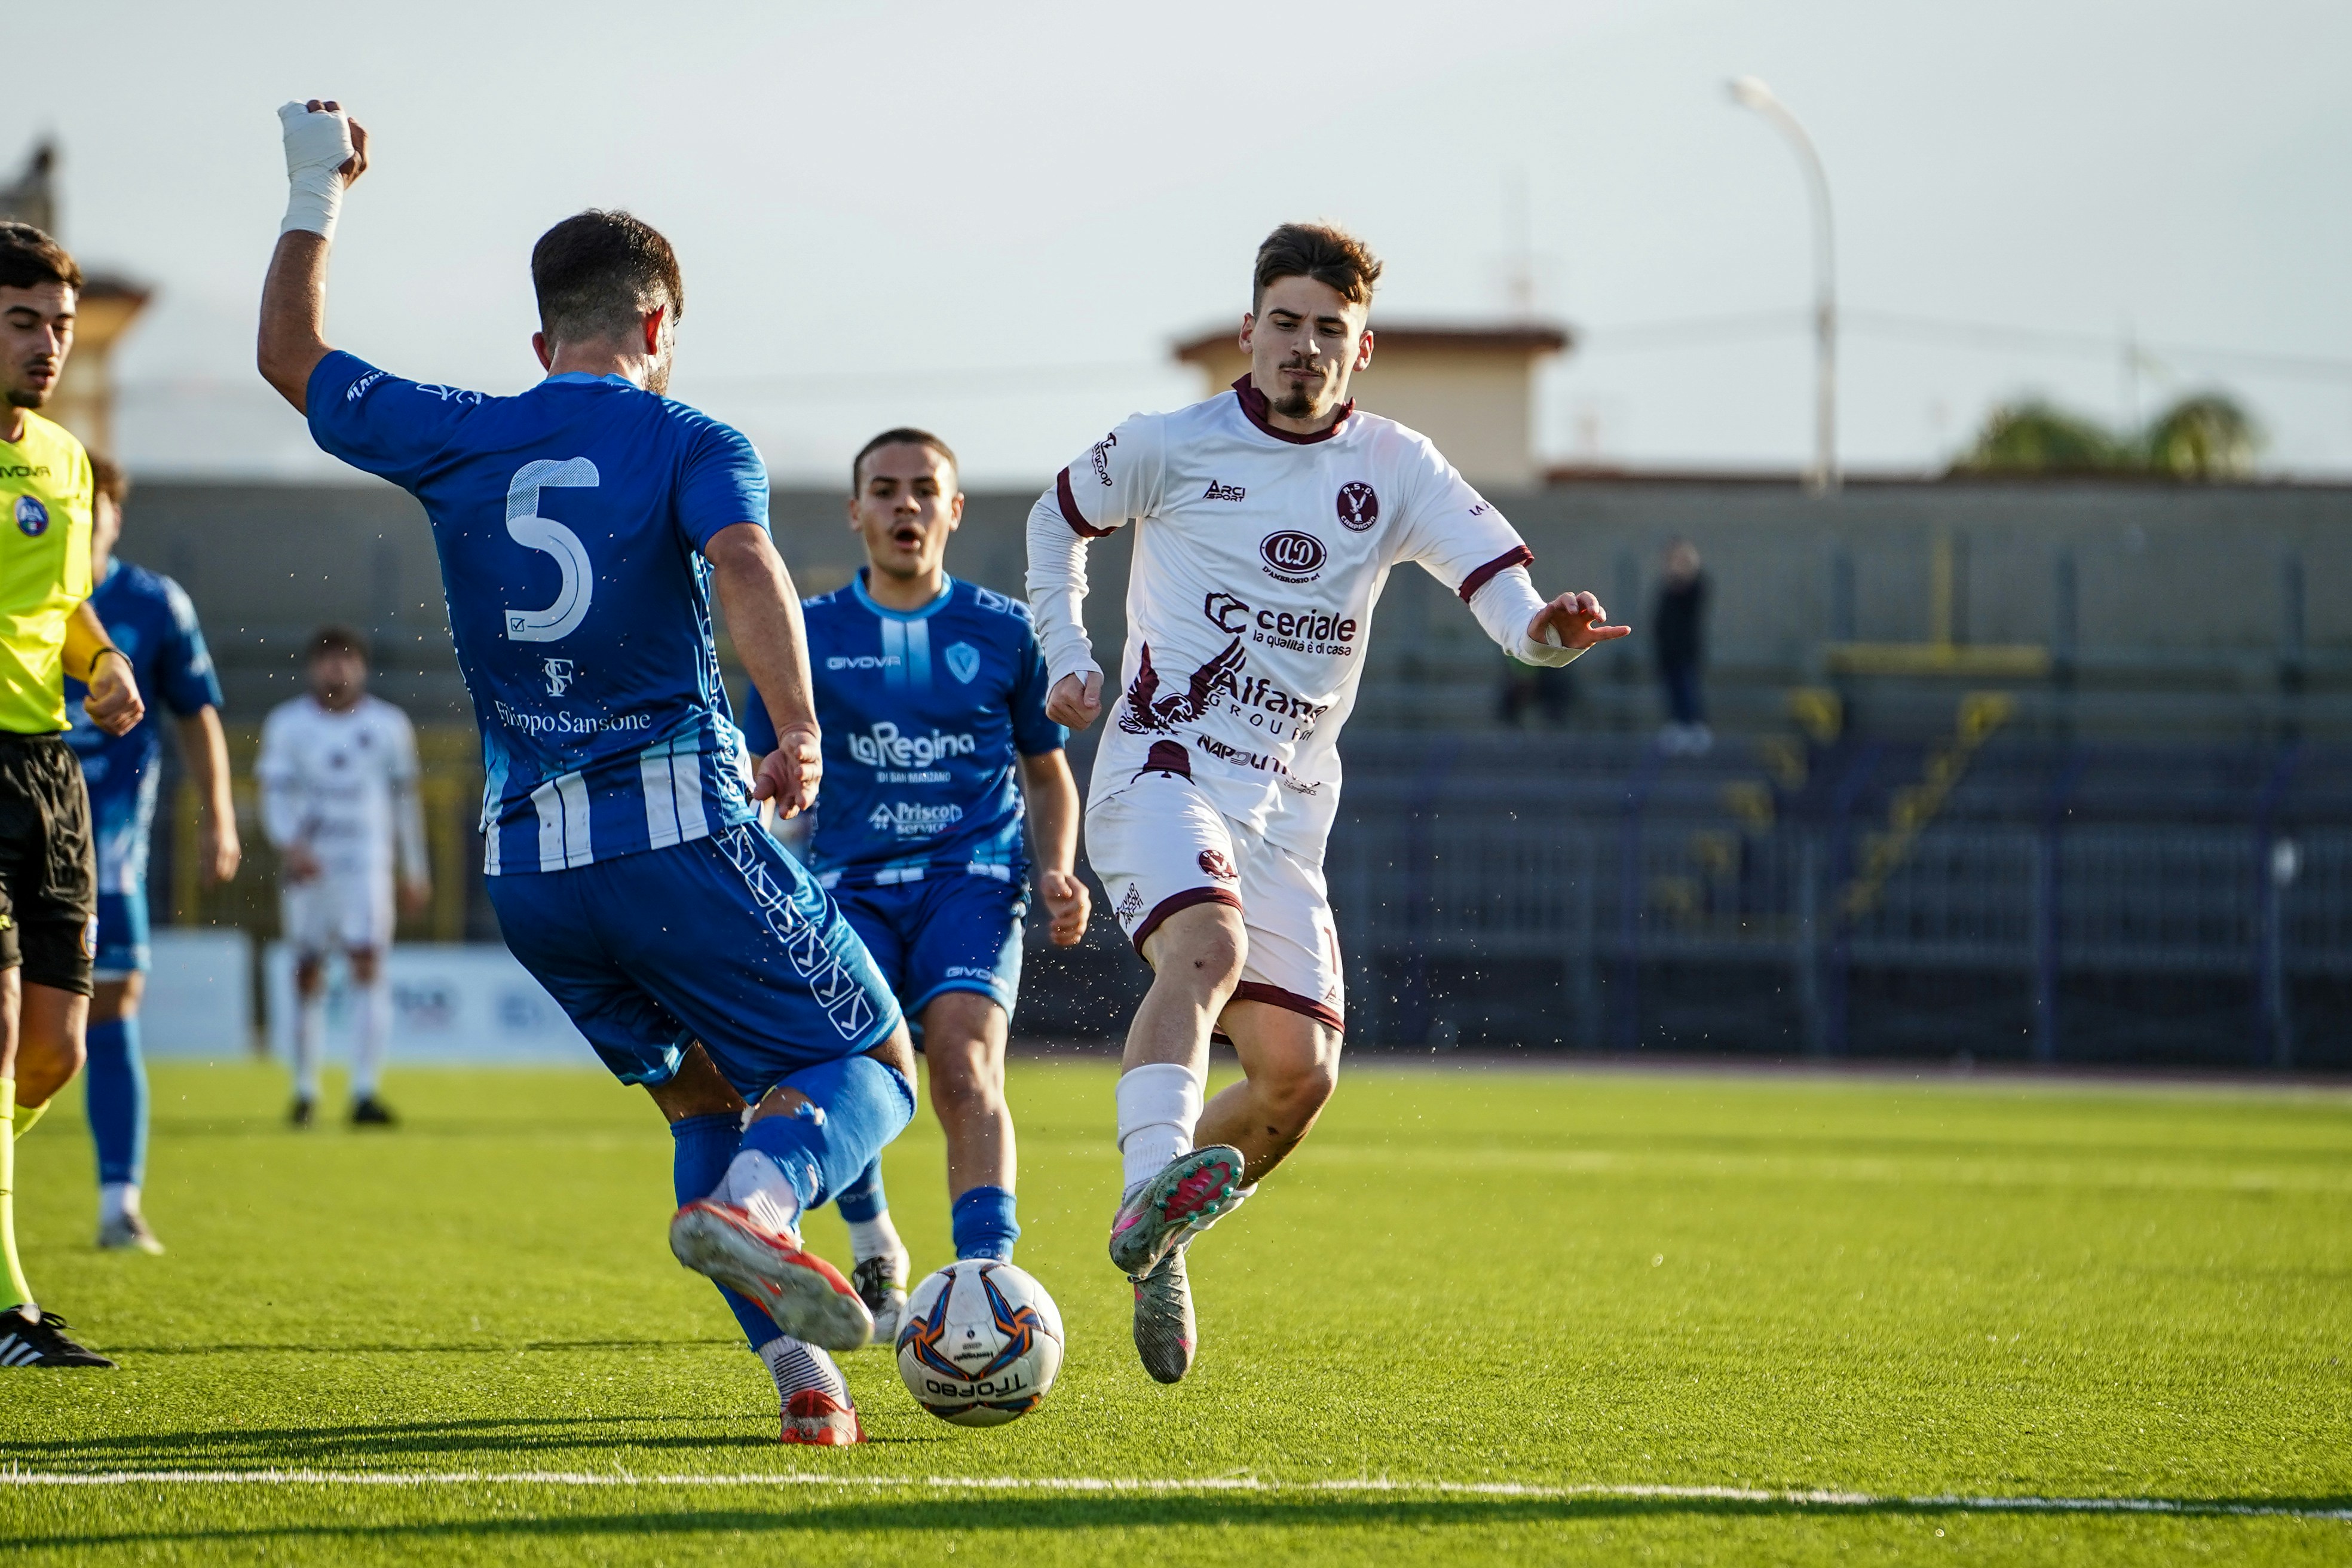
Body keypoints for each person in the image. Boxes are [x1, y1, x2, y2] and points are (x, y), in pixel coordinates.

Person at [256, 100, 915, 1445]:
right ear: (661, 329)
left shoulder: (460, 431)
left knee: (702, 1094)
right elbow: (744, 561)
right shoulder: (690, 441)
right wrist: (796, 723)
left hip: (532, 873)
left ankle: (806, 1387)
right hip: (675, 833)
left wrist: (313, 187)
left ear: (542, 338)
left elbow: (288, 357)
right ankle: (768, 1212)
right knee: (876, 1057)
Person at [1026, 222, 1629, 1384]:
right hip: (1162, 765)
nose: (1306, 348)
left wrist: (1543, 637)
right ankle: (1151, 1179)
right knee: (1203, 948)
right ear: (1250, 332)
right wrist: (1066, 646)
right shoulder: (1171, 444)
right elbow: (1057, 517)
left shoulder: (1396, 467)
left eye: (1330, 332)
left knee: (1299, 1078)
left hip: (1289, 811)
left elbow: (1499, 585)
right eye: (1288, 324)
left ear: (1363, 348)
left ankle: (1162, 1243)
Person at [740, 428, 1088, 1341]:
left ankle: (988, 1275)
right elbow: (754, 765)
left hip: (970, 878)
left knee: (965, 1063)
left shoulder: (1005, 630)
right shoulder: (808, 632)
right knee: (849, 1064)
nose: (905, 507)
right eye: (884, 491)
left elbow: (1047, 771)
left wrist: (1056, 869)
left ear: (953, 510)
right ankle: (872, 1235)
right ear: (855, 511)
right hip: (849, 882)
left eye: (924, 490)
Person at [0, 221, 146, 1368]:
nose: (47, 346)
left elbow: (69, 611)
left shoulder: (64, 457)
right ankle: (9, 1306)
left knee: (55, 1054)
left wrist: (103, 663)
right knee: (0, 1033)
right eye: (22, 323)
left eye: (58, 326)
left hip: (49, 771)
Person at [67, 457, 240, 1249]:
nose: (79, 517)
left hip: (109, 855)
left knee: (111, 1005)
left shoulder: (152, 604)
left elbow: (198, 713)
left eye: (91, 506)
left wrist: (221, 816)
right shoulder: (20, 588)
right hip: (16, 835)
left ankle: (116, 1203)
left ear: (113, 516)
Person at [255, 627, 428, 1128]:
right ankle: (305, 1091)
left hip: (366, 862)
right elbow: (274, 794)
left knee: (367, 962)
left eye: (347, 659)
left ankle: (364, 1092)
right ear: (313, 667)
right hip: (311, 864)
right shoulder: (288, 724)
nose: (337, 668)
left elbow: (406, 803)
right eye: (328, 659)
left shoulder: (389, 725)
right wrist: (290, 844)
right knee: (307, 970)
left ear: (362, 667)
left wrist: (414, 869)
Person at [1654, 538, 1709, 755]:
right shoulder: (1667, 587)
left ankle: (1695, 726)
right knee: (1672, 689)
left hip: (1685, 650)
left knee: (1688, 688)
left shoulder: (1695, 586)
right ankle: (1679, 725)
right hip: (1668, 651)